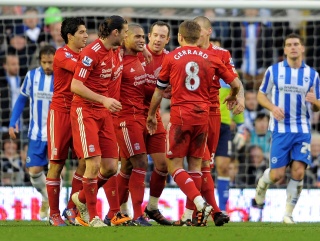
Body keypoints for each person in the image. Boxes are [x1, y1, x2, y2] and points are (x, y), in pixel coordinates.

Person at [147, 20, 240, 227]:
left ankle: (200, 204)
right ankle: (190, 216)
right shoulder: (212, 58)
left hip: (181, 116)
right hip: (204, 117)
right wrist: (234, 95)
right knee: (197, 165)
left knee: (174, 165)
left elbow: (159, 91)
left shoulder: (171, 58)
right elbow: (235, 82)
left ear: (179, 37)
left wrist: (152, 114)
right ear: (199, 37)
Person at [173, 16, 244, 227]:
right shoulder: (184, 54)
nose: (197, 33)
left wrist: (238, 97)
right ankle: (206, 213)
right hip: (191, 113)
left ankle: (200, 213)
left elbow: (234, 79)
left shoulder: (221, 54)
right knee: (201, 165)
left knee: (203, 164)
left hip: (212, 114)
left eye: (200, 29)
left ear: (208, 31)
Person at [253, 33, 320, 224]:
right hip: (280, 130)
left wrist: (314, 102)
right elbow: (260, 95)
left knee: (298, 171)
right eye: (289, 44)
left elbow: (318, 105)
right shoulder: (273, 71)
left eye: (296, 44)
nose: (293, 47)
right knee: (277, 175)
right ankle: (262, 184)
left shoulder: (312, 75)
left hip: (302, 130)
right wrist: (273, 108)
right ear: (284, 50)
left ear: (302, 48)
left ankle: (287, 214)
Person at [70, 15, 128, 228]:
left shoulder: (114, 51)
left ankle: (82, 198)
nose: (127, 35)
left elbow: (135, 45)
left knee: (111, 167)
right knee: (93, 164)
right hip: (85, 111)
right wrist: (104, 99)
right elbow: (75, 85)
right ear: (115, 33)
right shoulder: (90, 53)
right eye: (125, 31)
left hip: (103, 112)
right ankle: (92, 217)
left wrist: (147, 51)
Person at [45, 17, 88, 226]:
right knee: (56, 163)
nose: (86, 36)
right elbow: (83, 70)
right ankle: (53, 213)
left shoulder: (85, 55)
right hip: (61, 113)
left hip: (80, 112)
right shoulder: (62, 54)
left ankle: (71, 208)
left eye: (86, 32)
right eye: (81, 32)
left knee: (85, 161)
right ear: (70, 36)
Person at [8, 44, 56, 219]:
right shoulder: (32, 76)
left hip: (55, 133)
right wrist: (13, 123)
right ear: (40, 61)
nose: (47, 66)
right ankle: (45, 198)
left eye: (50, 62)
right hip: (36, 133)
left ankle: (54, 211)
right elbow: (21, 100)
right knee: (34, 172)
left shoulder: (62, 77)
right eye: (44, 62)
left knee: (53, 170)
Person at [113, 23, 153, 226]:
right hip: (125, 119)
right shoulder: (117, 60)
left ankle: (120, 212)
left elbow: (140, 88)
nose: (142, 40)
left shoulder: (139, 58)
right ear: (124, 37)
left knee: (127, 165)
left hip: (140, 117)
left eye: (143, 37)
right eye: (137, 37)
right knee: (140, 162)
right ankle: (138, 215)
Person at [140, 21, 172, 225]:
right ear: (149, 36)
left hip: (154, 116)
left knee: (162, 165)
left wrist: (171, 91)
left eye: (163, 36)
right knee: (131, 166)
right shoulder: (137, 54)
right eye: (155, 35)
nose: (158, 39)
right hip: (131, 114)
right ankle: (124, 211)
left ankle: (151, 207)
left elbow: (172, 88)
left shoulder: (170, 59)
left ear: (168, 39)